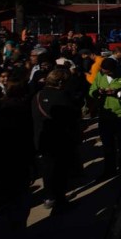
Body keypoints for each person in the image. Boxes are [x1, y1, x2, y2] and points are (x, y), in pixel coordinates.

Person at [32, 68, 81, 211]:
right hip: (60, 141)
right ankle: (60, 201)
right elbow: (73, 116)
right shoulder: (62, 96)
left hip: (42, 140)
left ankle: (49, 197)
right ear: (60, 82)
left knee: (47, 171)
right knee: (60, 172)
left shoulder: (37, 95)